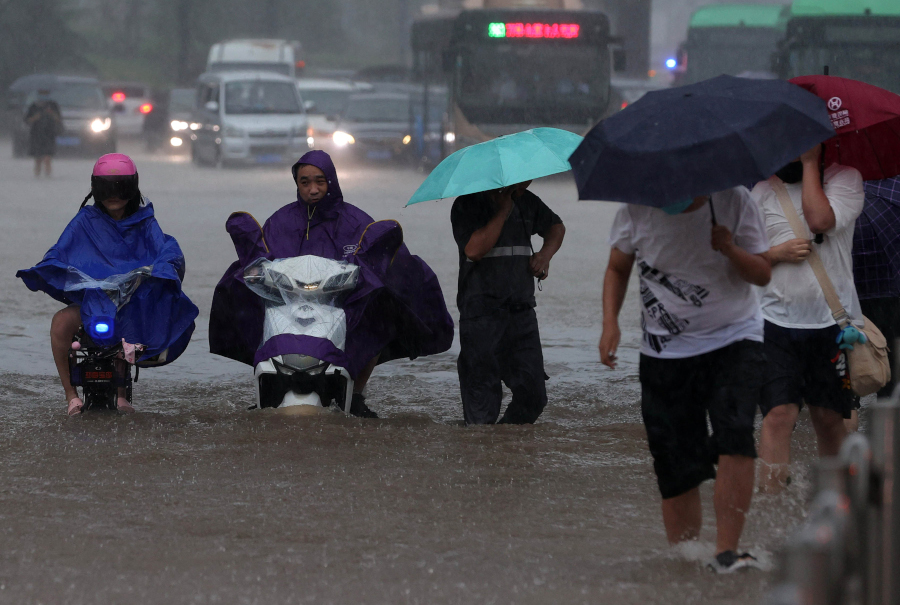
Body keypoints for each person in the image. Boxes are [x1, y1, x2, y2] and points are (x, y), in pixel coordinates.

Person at [599, 190, 771, 573]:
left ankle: (727, 552)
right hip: (665, 352)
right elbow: (617, 267)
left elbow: (762, 272)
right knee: (676, 462)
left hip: (734, 337)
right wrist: (610, 324)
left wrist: (729, 248)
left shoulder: (735, 201)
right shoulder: (636, 208)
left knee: (735, 433)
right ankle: (687, 560)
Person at [210, 150, 453, 417]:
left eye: (319, 181)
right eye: (305, 182)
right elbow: (260, 261)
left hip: (343, 305)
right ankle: (269, 385)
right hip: (287, 303)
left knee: (377, 315)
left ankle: (356, 393)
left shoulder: (356, 221)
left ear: (332, 182)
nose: (313, 189)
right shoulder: (280, 222)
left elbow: (380, 256)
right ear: (297, 184)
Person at [17, 154, 199, 415]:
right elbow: (61, 248)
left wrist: (164, 267)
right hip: (92, 302)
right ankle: (71, 395)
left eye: (121, 187)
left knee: (130, 324)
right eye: (106, 188)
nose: (114, 195)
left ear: (133, 188)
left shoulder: (146, 223)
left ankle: (122, 394)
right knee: (59, 324)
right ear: (95, 189)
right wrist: (52, 265)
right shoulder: (84, 221)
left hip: (130, 303)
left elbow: (166, 249)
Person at [750, 146, 864, 493]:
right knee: (778, 417)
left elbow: (820, 221)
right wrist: (776, 253)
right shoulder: (763, 191)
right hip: (774, 323)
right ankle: (774, 508)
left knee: (830, 419)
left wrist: (811, 163)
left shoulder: (845, 179)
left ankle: (837, 505)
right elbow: (743, 260)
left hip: (832, 325)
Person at [451, 181, 565, 425]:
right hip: (481, 315)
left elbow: (556, 227)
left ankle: (509, 452)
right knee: (481, 407)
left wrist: (544, 256)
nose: (528, 181)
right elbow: (474, 250)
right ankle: (482, 455)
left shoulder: (528, 201)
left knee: (533, 396)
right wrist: (503, 211)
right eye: (522, 178)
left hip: (521, 314)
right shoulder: (467, 203)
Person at [24, 90, 62, 178]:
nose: (43, 97)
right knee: (37, 158)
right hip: (36, 134)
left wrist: (52, 114)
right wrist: (35, 117)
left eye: (45, 94)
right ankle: (37, 176)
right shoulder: (33, 106)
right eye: (41, 94)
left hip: (49, 134)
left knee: (47, 157)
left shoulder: (53, 105)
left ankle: (48, 176)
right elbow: (27, 120)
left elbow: (59, 119)